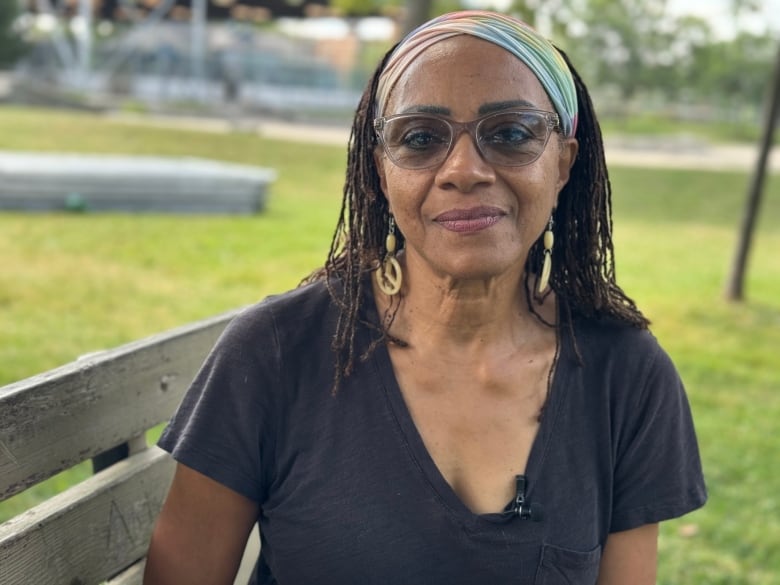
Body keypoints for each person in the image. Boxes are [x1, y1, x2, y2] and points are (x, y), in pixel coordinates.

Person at [143, 10, 706, 585]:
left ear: (563, 161)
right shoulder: (277, 353)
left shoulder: (626, 375)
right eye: (419, 138)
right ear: (382, 171)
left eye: (511, 133)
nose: (464, 170)